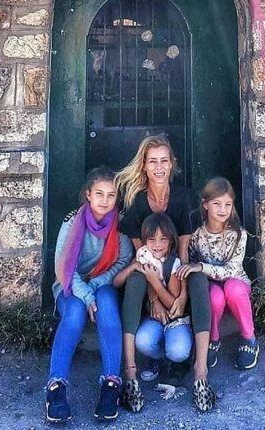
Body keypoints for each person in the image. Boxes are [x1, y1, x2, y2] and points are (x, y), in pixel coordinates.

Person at [115, 135, 216, 412]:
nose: (158, 167)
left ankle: (200, 372)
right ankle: (131, 374)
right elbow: (142, 257)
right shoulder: (136, 200)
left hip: (175, 271)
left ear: (172, 164)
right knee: (136, 277)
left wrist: (181, 294)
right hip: (150, 276)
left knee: (196, 277)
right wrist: (155, 297)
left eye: (164, 161)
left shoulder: (183, 197)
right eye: (152, 161)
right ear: (144, 166)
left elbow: (183, 253)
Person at [45, 167, 133, 423]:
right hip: (69, 284)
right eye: (99, 194)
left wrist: (95, 287)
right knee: (73, 312)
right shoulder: (72, 221)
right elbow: (63, 267)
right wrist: (85, 296)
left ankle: (111, 385)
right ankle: (56, 388)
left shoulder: (120, 223)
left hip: (101, 282)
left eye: (111, 195)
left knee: (107, 302)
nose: (104, 200)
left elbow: (124, 259)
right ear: (88, 195)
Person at [178, 177, 259, 370]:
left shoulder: (238, 234)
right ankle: (212, 339)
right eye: (217, 204)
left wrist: (201, 267)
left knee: (232, 289)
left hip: (236, 281)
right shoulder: (196, 234)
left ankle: (249, 338)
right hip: (211, 284)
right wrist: (196, 269)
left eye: (227, 204)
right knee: (214, 296)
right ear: (205, 205)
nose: (222, 209)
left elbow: (232, 270)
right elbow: (190, 262)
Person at [113, 213, 192, 383]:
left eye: (163, 239)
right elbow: (116, 282)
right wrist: (133, 266)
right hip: (155, 318)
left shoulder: (173, 263)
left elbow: (173, 306)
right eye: (151, 239)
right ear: (145, 240)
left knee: (178, 351)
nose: (157, 245)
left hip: (174, 320)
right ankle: (159, 358)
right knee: (142, 341)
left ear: (171, 241)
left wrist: (154, 282)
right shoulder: (143, 254)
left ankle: (177, 362)